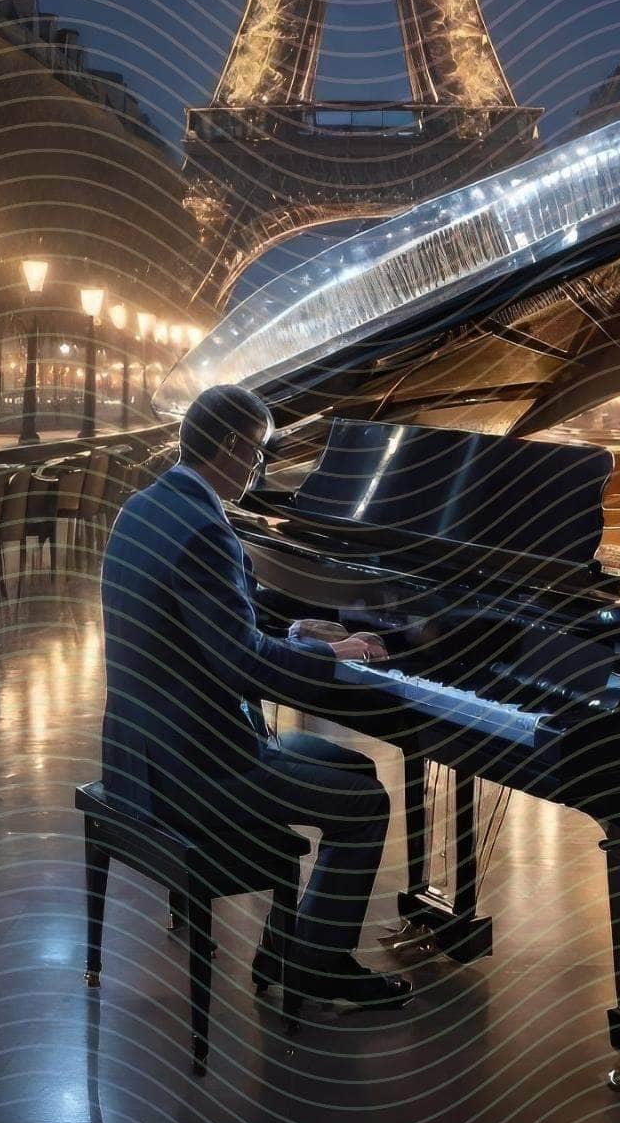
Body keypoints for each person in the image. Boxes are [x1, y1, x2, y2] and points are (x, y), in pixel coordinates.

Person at [100, 384, 412, 1009]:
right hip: (198, 766)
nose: (260, 466)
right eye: (257, 452)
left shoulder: (147, 506)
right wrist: (334, 653)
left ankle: (288, 948)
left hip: (139, 750)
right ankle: (313, 967)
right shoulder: (205, 530)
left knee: (350, 766)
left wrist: (295, 632)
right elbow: (243, 665)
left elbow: (208, 631)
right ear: (230, 445)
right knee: (365, 804)